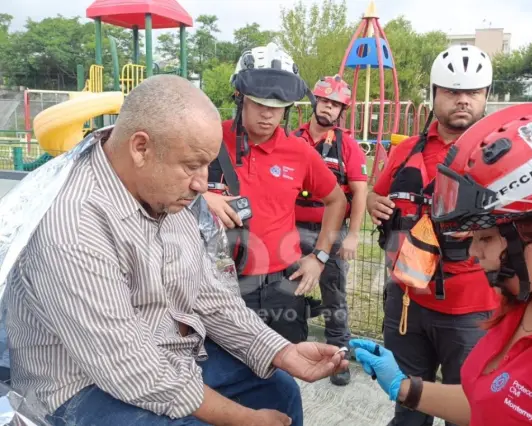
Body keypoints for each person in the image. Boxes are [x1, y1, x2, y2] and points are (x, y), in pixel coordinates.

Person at [3, 74, 349, 426]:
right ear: (141, 148)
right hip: (81, 386)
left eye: (207, 165)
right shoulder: (73, 222)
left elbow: (208, 293)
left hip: (168, 352)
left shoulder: (169, 194)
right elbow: (127, 365)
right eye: (191, 165)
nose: (203, 184)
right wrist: (243, 419)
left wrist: (281, 351)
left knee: (279, 389)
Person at [352, 103, 532, 425]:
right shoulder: (529, 298)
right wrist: (405, 388)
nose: (472, 252)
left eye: (484, 238)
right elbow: (488, 399)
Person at [366, 44, 500, 426]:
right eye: (452, 91)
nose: (462, 100)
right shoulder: (407, 150)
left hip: (471, 311)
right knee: (408, 408)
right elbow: (379, 191)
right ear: (435, 94)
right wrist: (376, 201)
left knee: (468, 412)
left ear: (486, 96)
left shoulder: (498, 154)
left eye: (472, 92)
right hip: (407, 303)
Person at [204, 43, 348, 344]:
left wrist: (319, 257)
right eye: (259, 103)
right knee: (224, 376)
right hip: (219, 286)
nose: (268, 114)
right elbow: (162, 190)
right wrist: (203, 198)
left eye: (278, 105)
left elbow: (337, 200)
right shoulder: (207, 139)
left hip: (283, 287)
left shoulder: (300, 152)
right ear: (240, 98)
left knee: (284, 377)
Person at [293, 74, 368, 386]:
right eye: (325, 101)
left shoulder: (347, 146)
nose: (328, 109)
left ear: (342, 112)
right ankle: (292, 351)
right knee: (284, 291)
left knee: (334, 297)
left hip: (332, 231)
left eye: (336, 105)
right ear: (315, 102)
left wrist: (352, 236)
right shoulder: (292, 139)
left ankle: (339, 358)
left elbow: (361, 193)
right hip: (291, 228)